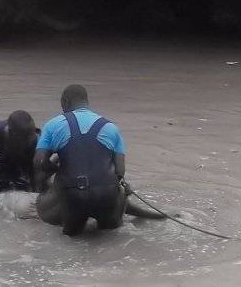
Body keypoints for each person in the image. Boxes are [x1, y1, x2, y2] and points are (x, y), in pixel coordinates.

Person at [34, 84, 161, 236]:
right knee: (110, 239)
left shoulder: (53, 124)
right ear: (86, 103)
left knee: (73, 240)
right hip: (108, 195)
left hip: (75, 196)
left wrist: (59, 170)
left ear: (65, 102)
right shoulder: (111, 127)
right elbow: (120, 171)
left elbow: (39, 163)